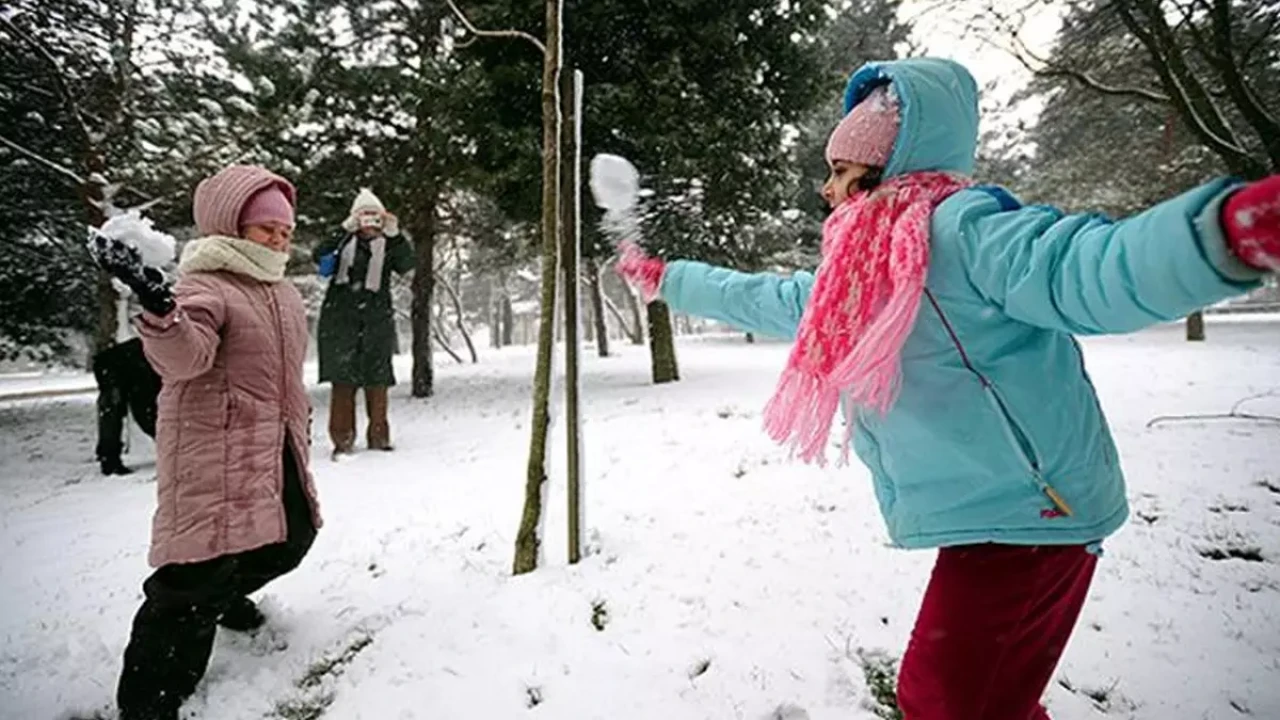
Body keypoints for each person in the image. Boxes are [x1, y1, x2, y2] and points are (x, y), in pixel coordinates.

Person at [615, 57, 1279, 720]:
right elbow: (768, 297)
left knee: (945, 700)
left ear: (888, 169)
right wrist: (671, 280)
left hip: (1037, 509)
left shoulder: (967, 232)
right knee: (979, 701)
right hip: (995, 514)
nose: (827, 188)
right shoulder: (858, 271)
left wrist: (1221, 234)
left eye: (841, 171)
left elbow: (1086, 265)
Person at [90, 164, 324, 720]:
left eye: (285, 230)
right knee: (192, 579)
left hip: (273, 445)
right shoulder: (205, 285)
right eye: (266, 228)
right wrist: (159, 307)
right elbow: (184, 359)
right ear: (231, 226)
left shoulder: (283, 293)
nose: (279, 238)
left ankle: (223, 599)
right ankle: (149, 703)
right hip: (212, 450)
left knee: (292, 536)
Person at [313, 188, 414, 456]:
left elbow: (407, 264)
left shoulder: (388, 245)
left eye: (375, 217)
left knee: (377, 381)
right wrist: (342, 230)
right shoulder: (342, 242)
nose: (370, 223)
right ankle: (342, 440)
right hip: (340, 322)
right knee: (342, 382)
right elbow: (318, 255)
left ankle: (379, 438)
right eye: (364, 216)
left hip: (376, 322)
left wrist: (395, 235)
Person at [92, 330, 161, 475]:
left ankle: (107, 454)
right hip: (121, 367)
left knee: (111, 412)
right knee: (115, 411)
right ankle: (109, 459)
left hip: (116, 364)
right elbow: (146, 412)